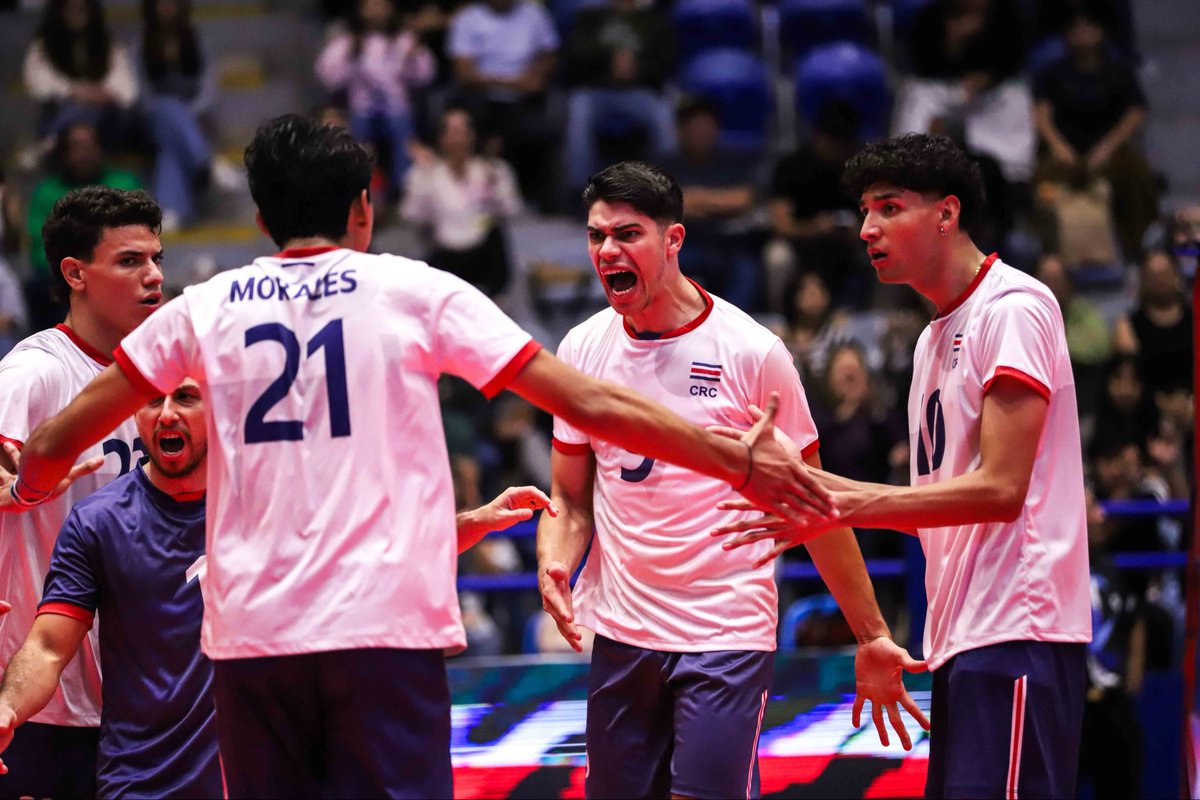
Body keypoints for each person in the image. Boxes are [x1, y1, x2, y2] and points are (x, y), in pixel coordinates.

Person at [1, 114, 834, 798]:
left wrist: (34, 482)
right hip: (380, 634)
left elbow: (50, 444)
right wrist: (735, 458)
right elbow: (589, 401)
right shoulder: (415, 289)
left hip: (251, 641)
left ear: (259, 219)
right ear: (364, 209)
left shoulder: (202, 308)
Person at [714, 134, 1092, 799]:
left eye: (888, 208)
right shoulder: (929, 340)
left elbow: (1002, 491)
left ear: (946, 214)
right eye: (864, 211)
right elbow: (937, 511)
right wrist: (811, 496)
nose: (867, 228)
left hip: (1019, 632)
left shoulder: (1015, 309)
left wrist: (847, 499)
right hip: (962, 638)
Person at [536, 161, 928, 799]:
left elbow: (816, 505)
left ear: (674, 241)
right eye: (596, 236)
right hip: (622, 634)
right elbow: (571, 500)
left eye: (627, 234)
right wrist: (555, 562)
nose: (607, 251)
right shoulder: (582, 349)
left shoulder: (752, 351)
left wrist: (874, 634)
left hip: (725, 633)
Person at [0, 378, 561, 793]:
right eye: (152, 400)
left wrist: (478, 521)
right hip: (142, 782)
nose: (167, 414)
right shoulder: (97, 521)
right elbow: (49, 646)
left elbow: (382, 544)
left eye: (187, 398)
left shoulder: (276, 495)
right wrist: (6, 706)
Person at [0, 186, 164, 799]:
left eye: (156, 258)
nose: (153, 276)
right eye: (129, 261)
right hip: (41, 698)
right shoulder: (35, 371)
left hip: (135, 697)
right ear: (75, 274)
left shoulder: (160, 382)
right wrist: (16, 486)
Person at [316, 0, 436, 201]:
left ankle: (402, 190)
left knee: (401, 128)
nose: (376, 11)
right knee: (356, 131)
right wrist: (350, 57)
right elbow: (328, 77)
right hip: (361, 110)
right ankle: (362, 191)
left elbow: (426, 76)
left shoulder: (404, 40)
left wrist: (412, 59)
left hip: (397, 109)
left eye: (381, 5)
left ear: (390, 8)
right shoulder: (348, 41)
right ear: (361, 10)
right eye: (370, 5)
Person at [401, 106, 521, 297]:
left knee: (497, 239)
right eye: (451, 131)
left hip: (483, 250)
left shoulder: (494, 169)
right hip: (443, 252)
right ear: (441, 138)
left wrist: (493, 187)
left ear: (473, 136)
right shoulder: (424, 173)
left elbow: (512, 210)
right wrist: (424, 178)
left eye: (464, 130)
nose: (458, 138)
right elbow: (411, 216)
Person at [23, 0, 140, 151]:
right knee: (78, 108)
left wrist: (101, 94)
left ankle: (51, 141)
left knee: (93, 109)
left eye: (82, 9)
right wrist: (75, 92)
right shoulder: (43, 45)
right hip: (62, 110)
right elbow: (39, 85)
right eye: (70, 9)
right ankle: (58, 139)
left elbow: (128, 90)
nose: (76, 14)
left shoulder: (109, 45)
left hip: (106, 121)